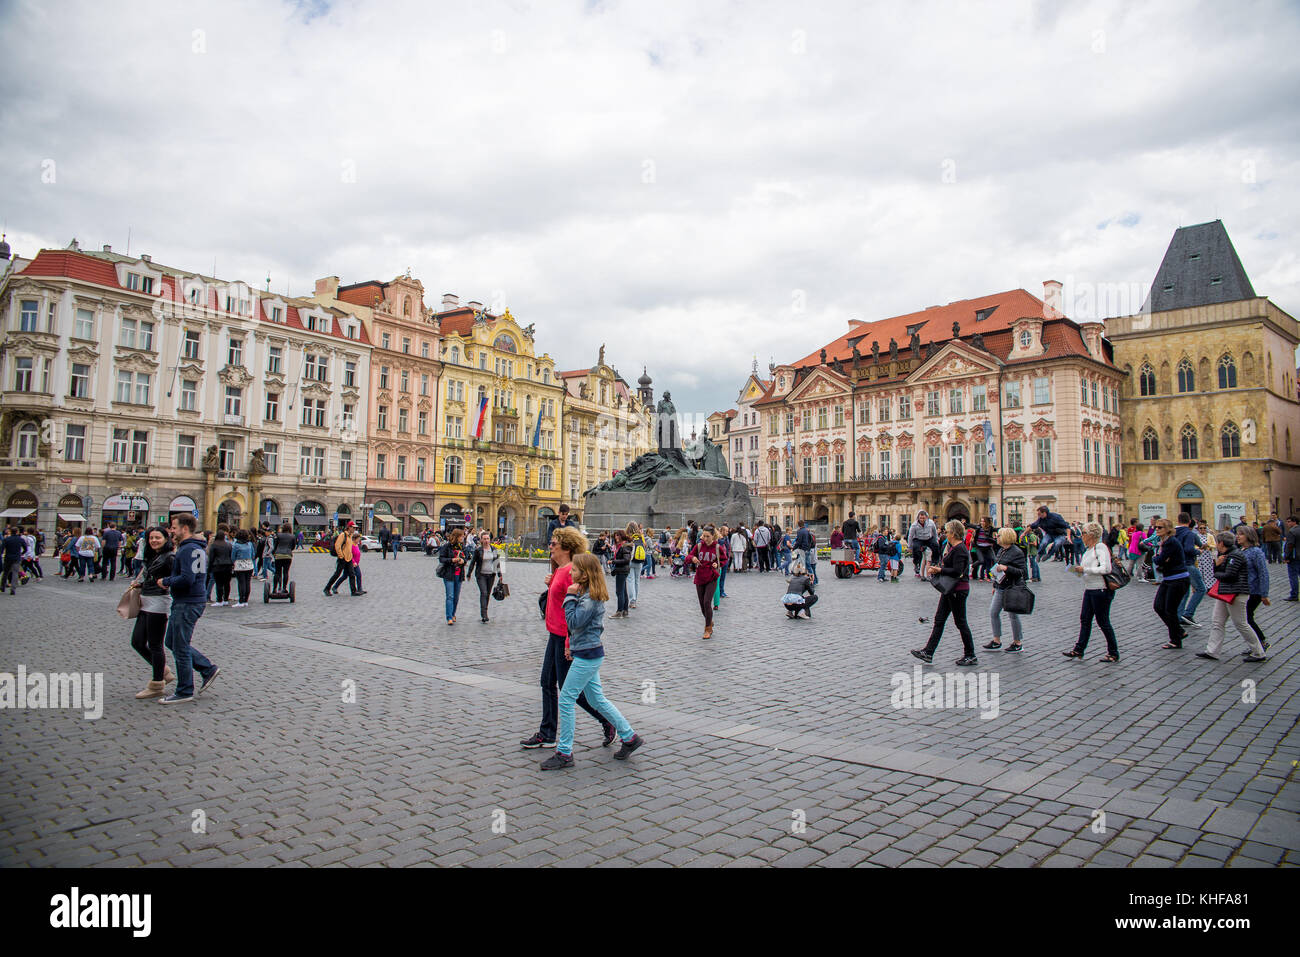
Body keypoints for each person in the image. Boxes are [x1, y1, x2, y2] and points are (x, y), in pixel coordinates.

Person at [539, 552, 643, 770]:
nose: (572, 573)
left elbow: (574, 622)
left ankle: (565, 752)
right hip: (588, 652)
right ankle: (629, 736)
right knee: (596, 700)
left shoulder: (590, 598)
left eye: (575, 570)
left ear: (585, 575)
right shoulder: (587, 594)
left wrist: (569, 596)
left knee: (566, 699)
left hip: (588, 656)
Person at [521, 527, 615, 750]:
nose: (550, 547)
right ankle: (547, 733)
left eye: (554, 544)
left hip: (565, 636)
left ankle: (606, 720)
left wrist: (568, 642)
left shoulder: (571, 571)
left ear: (566, 547)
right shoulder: (561, 569)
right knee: (547, 682)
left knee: (568, 688)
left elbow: (575, 608)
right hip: (555, 633)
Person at [157, 513, 221, 705]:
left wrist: (166, 581)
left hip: (188, 602)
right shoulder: (196, 548)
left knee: (180, 646)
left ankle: (185, 690)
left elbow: (187, 578)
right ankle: (207, 669)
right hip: (190, 601)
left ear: (184, 529)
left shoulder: (187, 550)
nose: (171, 531)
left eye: (174, 527)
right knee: (172, 642)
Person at [911, 520, 977, 666]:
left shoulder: (960, 549)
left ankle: (970, 654)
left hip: (958, 590)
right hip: (949, 589)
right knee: (939, 620)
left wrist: (939, 570)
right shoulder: (954, 547)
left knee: (961, 622)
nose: (945, 534)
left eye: (947, 532)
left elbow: (958, 571)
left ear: (953, 533)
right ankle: (928, 651)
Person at [1196, 532, 1267, 663]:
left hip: (1236, 592)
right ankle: (1212, 651)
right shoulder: (1227, 555)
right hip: (1225, 591)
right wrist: (1217, 567)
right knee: (1217, 622)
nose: (1216, 545)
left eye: (1217, 542)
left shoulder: (1235, 555)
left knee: (1241, 623)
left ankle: (1258, 652)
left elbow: (1229, 575)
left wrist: (1217, 568)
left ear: (1221, 543)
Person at [127, 527, 177, 699]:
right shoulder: (152, 556)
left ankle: (157, 684)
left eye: (158, 537)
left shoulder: (170, 557)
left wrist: (164, 584)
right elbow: (150, 577)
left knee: (155, 644)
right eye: (151, 538)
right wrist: (141, 584)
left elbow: (174, 579)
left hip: (159, 603)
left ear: (165, 539)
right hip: (145, 601)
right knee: (137, 641)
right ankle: (163, 671)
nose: (154, 540)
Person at [1064, 522, 1118, 662]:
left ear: (1092, 535)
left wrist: (1084, 570)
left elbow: (1106, 569)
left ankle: (1113, 652)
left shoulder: (1100, 548)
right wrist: (1077, 571)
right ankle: (1079, 649)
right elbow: (1087, 571)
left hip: (1101, 590)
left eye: (1084, 533)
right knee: (1085, 620)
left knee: (1103, 622)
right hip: (1089, 589)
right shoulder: (1088, 550)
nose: (1082, 536)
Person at [984, 527, 1027, 652]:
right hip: (1000, 586)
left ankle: (1017, 642)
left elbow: (1022, 571)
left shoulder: (1017, 552)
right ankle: (996, 640)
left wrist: (1006, 568)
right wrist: (994, 584)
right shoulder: (1001, 550)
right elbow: (997, 568)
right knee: (993, 612)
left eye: (998, 535)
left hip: (1012, 587)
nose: (996, 537)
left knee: (1013, 615)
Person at [1150, 518, 1189, 650]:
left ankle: (1175, 639)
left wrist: (1157, 558)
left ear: (1168, 529)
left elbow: (1159, 560)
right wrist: (1162, 559)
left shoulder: (1171, 542)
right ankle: (1179, 631)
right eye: (1156, 527)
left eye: (1160, 527)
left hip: (1178, 579)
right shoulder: (1163, 542)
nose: (1157, 529)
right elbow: (1163, 560)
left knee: (1170, 609)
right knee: (1158, 606)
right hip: (1169, 579)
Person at [1237, 526, 1271, 655]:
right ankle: (1256, 643)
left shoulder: (1256, 552)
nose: (1238, 536)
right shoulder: (1241, 550)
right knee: (1245, 618)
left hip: (1253, 590)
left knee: (1246, 618)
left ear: (1249, 536)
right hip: (1243, 590)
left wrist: (1264, 594)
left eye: (1241, 534)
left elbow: (1263, 573)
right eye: (1237, 534)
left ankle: (1260, 642)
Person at [687, 526, 724, 640]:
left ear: (713, 536)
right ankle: (709, 620)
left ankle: (707, 628)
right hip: (700, 576)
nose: (705, 539)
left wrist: (718, 564)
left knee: (707, 602)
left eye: (708, 536)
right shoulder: (699, 546)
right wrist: (693, 558)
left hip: (712, 576)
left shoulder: (718, 547)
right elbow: (688, 557)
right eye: (704, 536)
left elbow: (724, 559)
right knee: (702, 605)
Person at [1175, 512, 1209, 629]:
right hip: (1188, 564)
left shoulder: (1173, 532)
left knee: (1184, 591)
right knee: (1201, 589)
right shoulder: (1188, 533)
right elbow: (1189, 549)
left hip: (1177, 565)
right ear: (1189, 522)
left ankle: (1179, 616)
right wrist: (1198, 551)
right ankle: (1188, 614)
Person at [469, 530, 503, 623]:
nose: (486, 540)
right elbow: (473, 562)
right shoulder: (478, 550)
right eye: (484, 539)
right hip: (481, 575)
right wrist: (469, 574)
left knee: (487, 593)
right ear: (481, 540)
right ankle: (484, 614)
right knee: (483, 593)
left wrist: (500, 574)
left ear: (490, 540)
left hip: (491, 575)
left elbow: (497, 562)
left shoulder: (494, 549)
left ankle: (485, 610)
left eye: (488, 539)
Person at [437, 527, 469, 624]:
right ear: (457, 536)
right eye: (461, 536)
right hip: (449, 574)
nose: (463, 538)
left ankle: (453, 613)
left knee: (456, 597)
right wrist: (452, 560)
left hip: (459, 575)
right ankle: (449, 617)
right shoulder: (447, 547)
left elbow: (466, 558)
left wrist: (463, 561)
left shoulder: (463, 547)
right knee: (450, 596)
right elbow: (441, 559)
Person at [323, 521, 357, 596]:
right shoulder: (343, 535)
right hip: (343, 558)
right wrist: (341, 556)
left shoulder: (350, 536)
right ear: (349, 527)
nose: (354, 529)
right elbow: (337, 546)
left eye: (355, 528)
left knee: (352, 574)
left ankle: (354, 591)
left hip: (349, 558)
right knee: (337, 574)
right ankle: (327, 588)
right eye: (353, 527)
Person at [907, 511, 940, 578]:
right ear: (918, 518)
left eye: (923, 518)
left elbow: (934, 532)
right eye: (920, 518)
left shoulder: (931, 523)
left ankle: (935, 561)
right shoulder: (914, 525)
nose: (922, 520)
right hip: (919, 539)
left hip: (928, 538)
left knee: (936, 546)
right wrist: (910, 547)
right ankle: (916, 563)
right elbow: (910, 536)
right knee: (916, 548)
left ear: (926, 517)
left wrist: (936, 540)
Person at [609, 530, 632, 619]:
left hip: (621, 570)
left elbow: (626, 560)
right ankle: (625, 611)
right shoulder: (622, 546)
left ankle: (619, 611)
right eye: (615, 536)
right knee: (623, 591)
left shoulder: (624, 546)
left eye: (618, 536)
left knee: (619, 592)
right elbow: (621, 557)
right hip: (622, 570)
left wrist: (613, 561)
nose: (616, 537)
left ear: (622, 536)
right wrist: (613, 559)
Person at [208, 530, 234, 607]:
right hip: (228, 566)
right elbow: (231, 556)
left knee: (219, 584)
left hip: (217, 566)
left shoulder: (214, 545)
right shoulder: (229, 545)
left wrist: (209, 568)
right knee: (227, 583)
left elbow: (211, 558)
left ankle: (219, 600)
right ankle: (225, 599)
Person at [271, 522, 295, 592]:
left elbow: (275, 546)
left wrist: (274, 553)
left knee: (277, 572)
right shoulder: (292, 536)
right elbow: (293, 547)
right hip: (288, 555)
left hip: (278, 555)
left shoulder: (278, 535)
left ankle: (274, 588)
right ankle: (284, 588)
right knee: (286, 572)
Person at [1, 526, 24, 595]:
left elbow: (1, 549)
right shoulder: (20, 539)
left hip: (8, 557)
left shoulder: (7, 539)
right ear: (17, 532)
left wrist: (2, 554)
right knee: (15, 573)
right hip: (16, 558)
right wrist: (21, 553)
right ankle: (13, 588)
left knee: (5, 572)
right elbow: (25, 548)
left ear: (10, 532)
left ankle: (2, 586)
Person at [972, 517, 997, 582]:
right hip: (979, 547)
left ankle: (991, 576)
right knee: (981, 561)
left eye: (983, 521)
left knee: (994, 560)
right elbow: (972, 525)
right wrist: (965, 524)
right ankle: (973, 566)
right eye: (981, 521)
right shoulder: (978, 528)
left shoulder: (990, 528)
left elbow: (996, 529)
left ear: (987, 522)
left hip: (988, 547)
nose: (982, 523)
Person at [1284, 516, 1300, 601]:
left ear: (1294, 522)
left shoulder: (1292, 532)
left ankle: (1294, 594)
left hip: (1294, 557)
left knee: (1293, 577)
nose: (1287, 523)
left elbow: (1290, 545)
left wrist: (1286, 556)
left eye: (1289, 521)